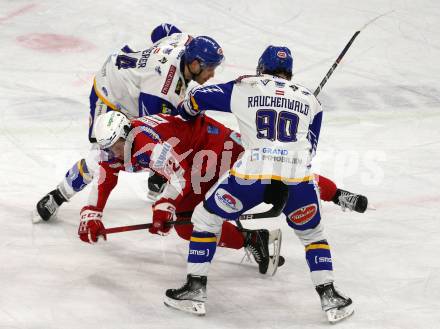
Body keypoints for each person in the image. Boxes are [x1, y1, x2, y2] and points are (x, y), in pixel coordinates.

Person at [164, 46, 354, 323]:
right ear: (289, 72)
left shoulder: (247, 86)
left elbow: (197, 97)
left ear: (260, 68)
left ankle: (195, 290)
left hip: (250, 175)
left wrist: (187, 112)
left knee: (205, 218)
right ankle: (331, 297)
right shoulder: (312, 101)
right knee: (313, 236)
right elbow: (309, 150)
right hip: (297, 178)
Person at [33, 24, 225, 222]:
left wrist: (145, 63)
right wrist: (161, 170)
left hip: (134, 89)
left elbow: (162, 30)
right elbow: (150, 131)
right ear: (194, 64)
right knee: (101, 156)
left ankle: (156, 177)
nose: (212, 75)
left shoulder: (185, 41)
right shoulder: (162, 90)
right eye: (210, 68)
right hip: (111, 93)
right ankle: (57, 196)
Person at [78, 111, 284, 275]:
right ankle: (253, 239)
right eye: (108, 148)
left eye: (115, 146)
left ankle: (259, 236)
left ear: (125, 134)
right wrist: (92, 213)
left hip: (215, 147)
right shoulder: (119, 145)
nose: (112, 153)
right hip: (195, 156)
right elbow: (105, 176)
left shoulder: (148, 145)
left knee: (285, 181)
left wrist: (164, 205)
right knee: (187, 226)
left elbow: (180, 176)